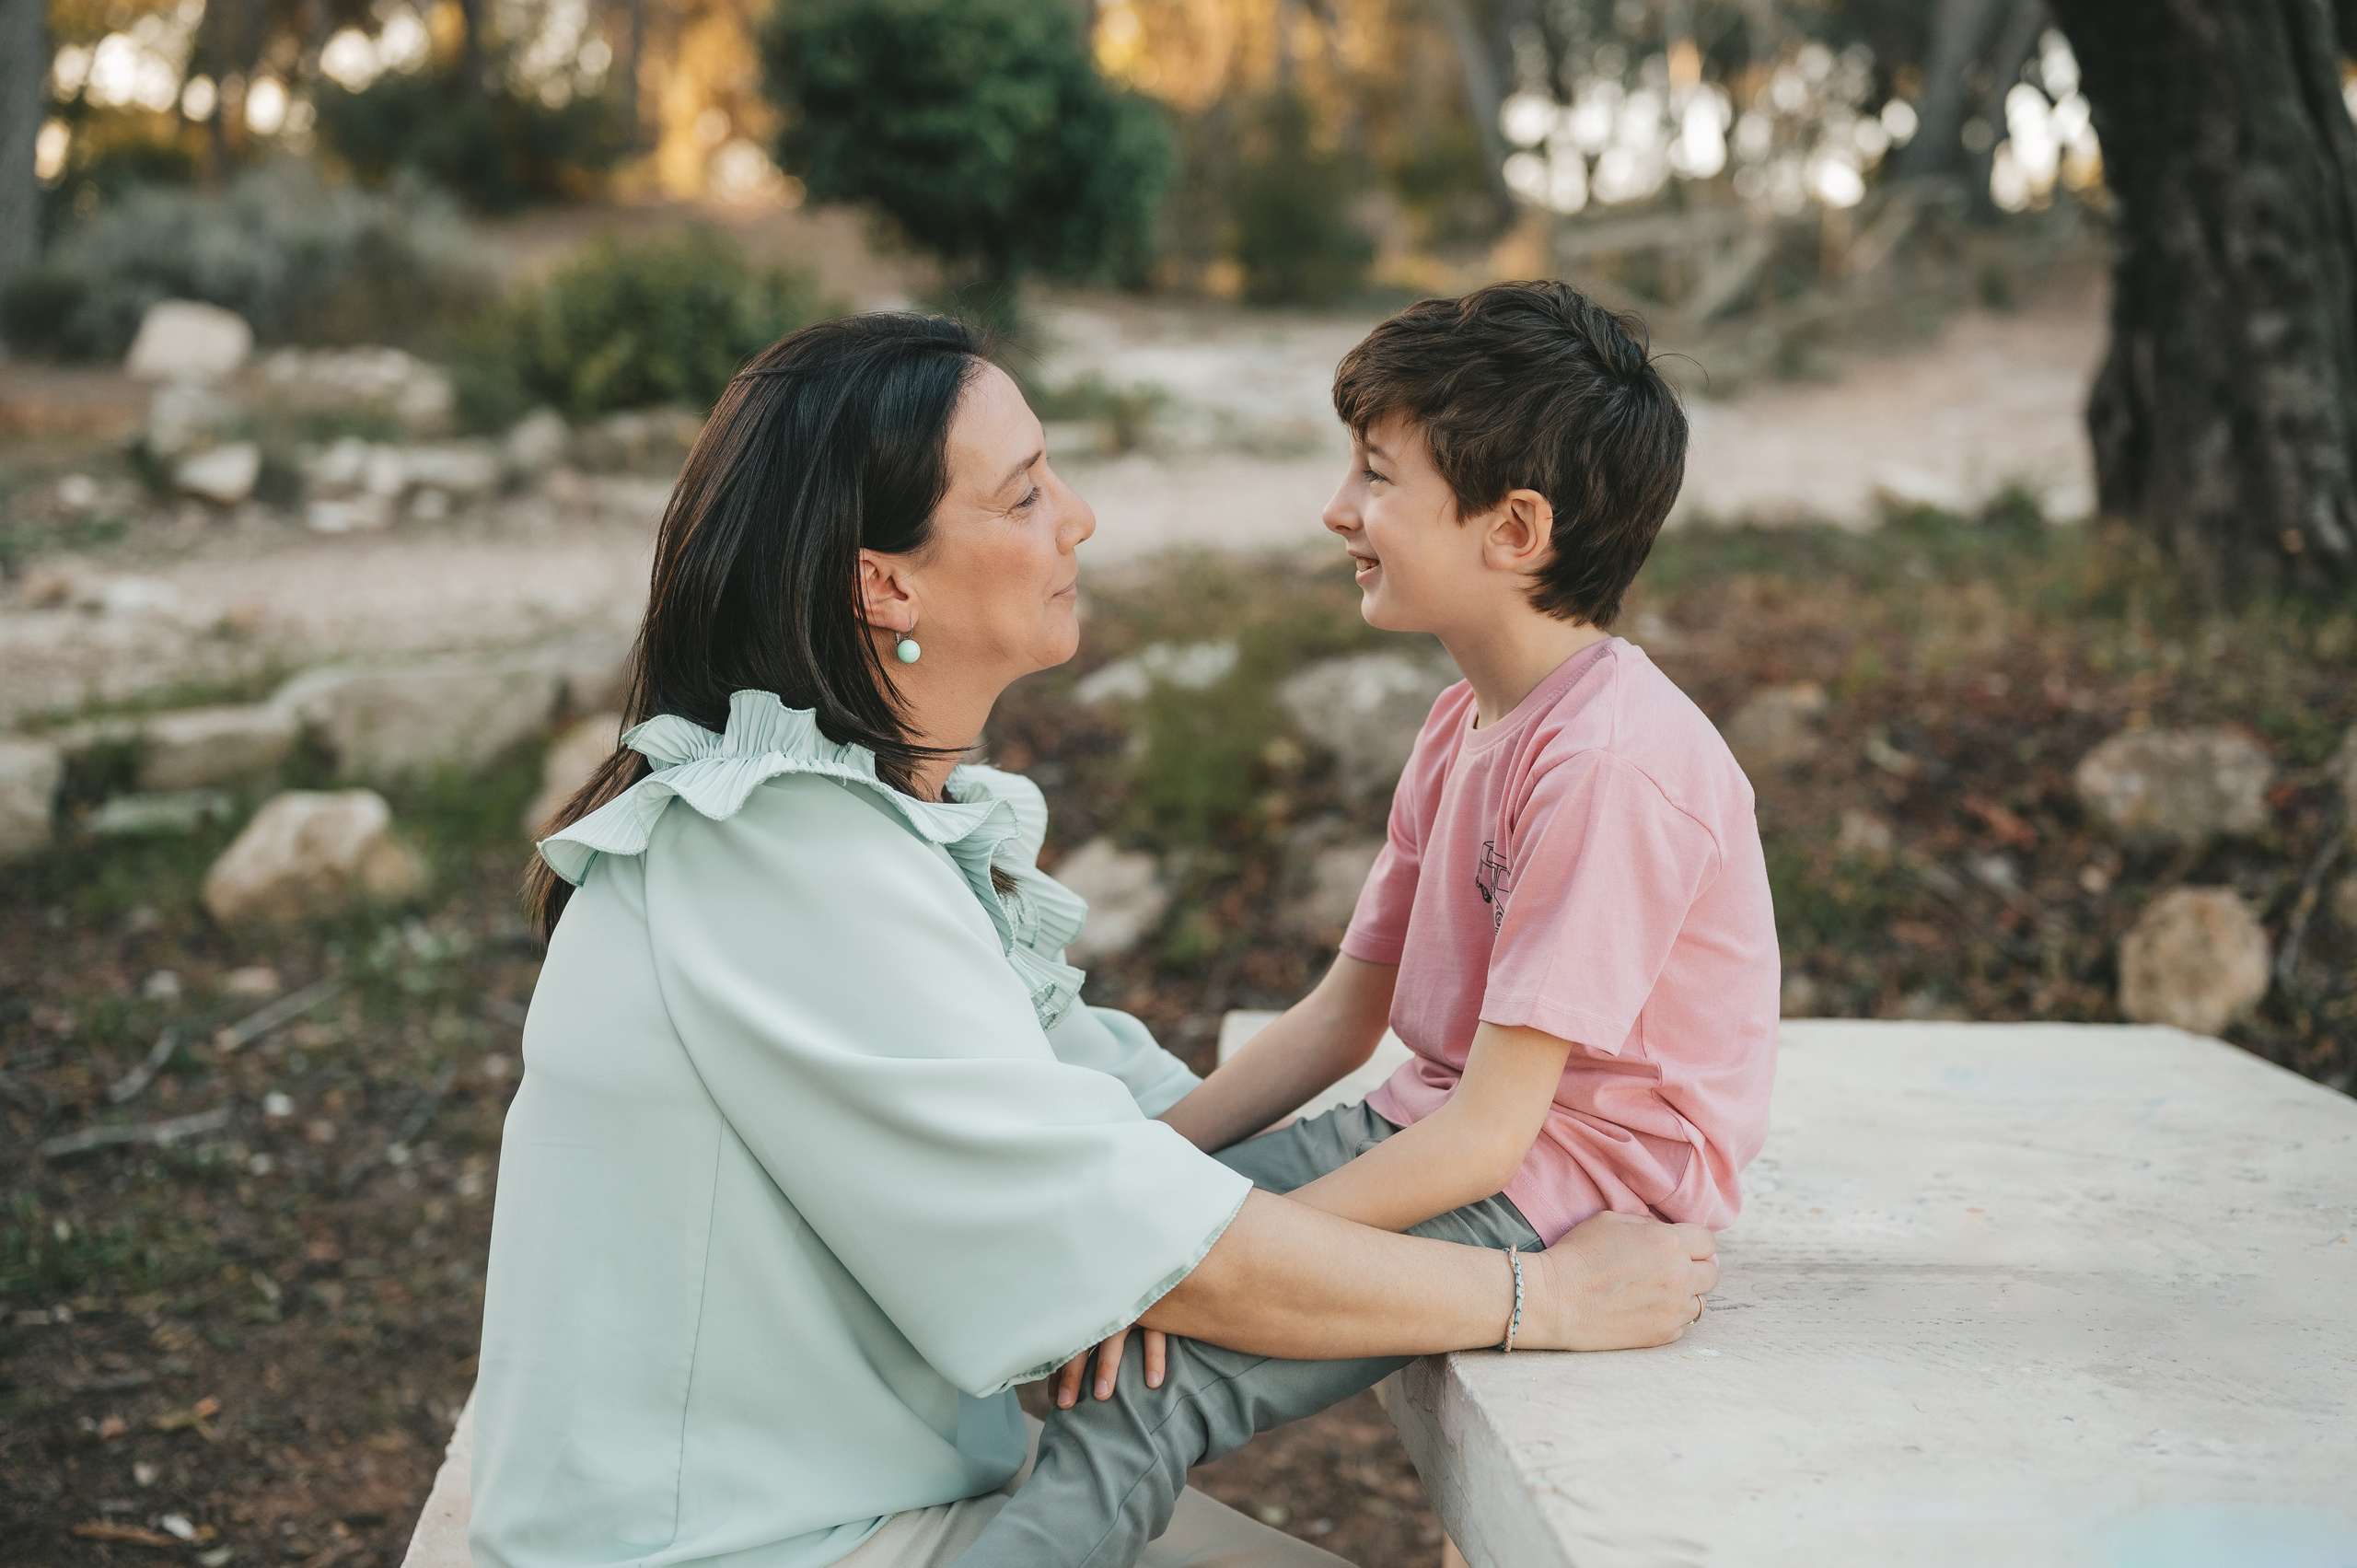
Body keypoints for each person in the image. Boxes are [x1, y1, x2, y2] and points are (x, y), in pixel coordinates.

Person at [468, 311, 1719, 1568]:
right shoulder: (777, 859)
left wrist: (1244, 1209)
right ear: (884, 580)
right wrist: (1539, 1299)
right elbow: (1153, 1236)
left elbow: (1100, 1119)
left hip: (854, 1498)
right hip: (736, 1545)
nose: (1079, 518)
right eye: (1023, 495)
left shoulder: (853, 828)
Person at [950, 282, 1780, 1568]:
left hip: (1558, 1192)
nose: (1340, 509)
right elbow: (1346, 1017)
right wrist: (1139, 1173)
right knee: (1065, 1279)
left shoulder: (1613, 767)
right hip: (1435, 1135)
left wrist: (1225, 1257)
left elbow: (1500, 1131)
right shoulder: (1467, 723)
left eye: (1379, 477)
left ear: (1514, 529)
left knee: (1134, 1394)